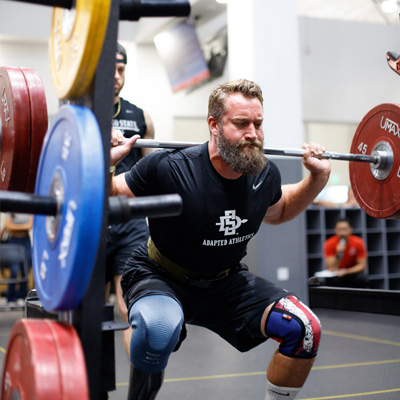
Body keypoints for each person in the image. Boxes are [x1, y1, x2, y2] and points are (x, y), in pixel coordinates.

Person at [110, 79, 331, 400]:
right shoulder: (169, 167)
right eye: (241, 124)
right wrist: (108, 161)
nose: (252, 134)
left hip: (226, 282)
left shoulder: (264, 174)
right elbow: (112, 193)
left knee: (305, 328)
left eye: (258, 123)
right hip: (161, 276)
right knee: (157, 330)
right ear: (213, 125)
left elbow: (279, 210)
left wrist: (317, 178)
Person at [106, 42, 155, 356]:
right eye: (110, 68)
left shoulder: (141, 117)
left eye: (121, 69)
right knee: (91, 310)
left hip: (131, 219)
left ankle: (140, 389)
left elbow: (151, 170)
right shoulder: (80, 113)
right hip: (93, 220)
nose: (116, 76)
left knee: (131, 308)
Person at [323, 218, 368, 288]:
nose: (342, 233)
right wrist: (338, 253)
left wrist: (346, 271)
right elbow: (331, 268)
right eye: (339, 230)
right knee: (331, 282)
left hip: (351, 273)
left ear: (350, 229)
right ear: (335, 230)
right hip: (337, 274)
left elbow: (362, 266)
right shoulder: (329, 243)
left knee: (362, 279)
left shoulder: (358, 242)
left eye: (344, 229)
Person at [0, 213, 33, 306]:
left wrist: (14, 226)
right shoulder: (11, 209)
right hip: (13, 240)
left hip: (25, 240)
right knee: (14, 270)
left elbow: (30, 225)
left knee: (25, 269)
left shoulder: (27, 208)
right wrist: (23, 227)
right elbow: (7, 225)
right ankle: (10, 298)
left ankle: (22, 296)